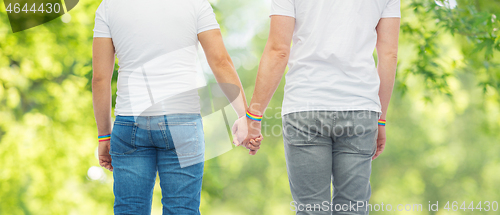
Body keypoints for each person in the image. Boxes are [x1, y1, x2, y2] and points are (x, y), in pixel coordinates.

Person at [91, 0, 259, 214]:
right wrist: (244, 116)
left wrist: (104, 136)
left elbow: (100, 79)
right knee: (182, 208)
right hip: (183, 122)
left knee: (129, 208)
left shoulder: (109, 6)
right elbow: (220, 61)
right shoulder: (196, 4)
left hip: (130, 121)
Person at [237, 0, 401, 214]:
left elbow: (278, 50)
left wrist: (253, 117)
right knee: (352, 209)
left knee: (311, 209)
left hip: (305, 105)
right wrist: (380, 118)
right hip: (360, 107)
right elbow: (389, 54)